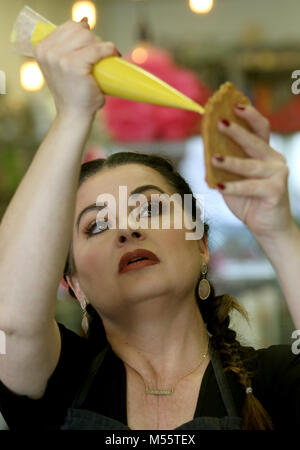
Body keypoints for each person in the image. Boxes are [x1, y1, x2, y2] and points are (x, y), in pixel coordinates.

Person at [0, 18, 299, 431]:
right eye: (96, 226)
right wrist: (72, 115)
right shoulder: (55, 382)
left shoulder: (273, 383)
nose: (126, 230)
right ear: (75, 285)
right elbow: (8, 319)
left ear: (201, 246)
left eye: (151, 209)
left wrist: (277, 230)